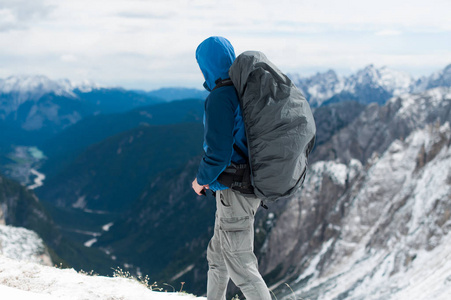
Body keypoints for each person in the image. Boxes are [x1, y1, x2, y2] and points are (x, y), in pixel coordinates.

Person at [192, 36, 272, 300]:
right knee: (217, 256)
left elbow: (217, 153)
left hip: (234, 191)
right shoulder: (244, 90)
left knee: (242, 268)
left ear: (206, 64)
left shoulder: (220, 96)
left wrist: (200, 180)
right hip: (245, 187)